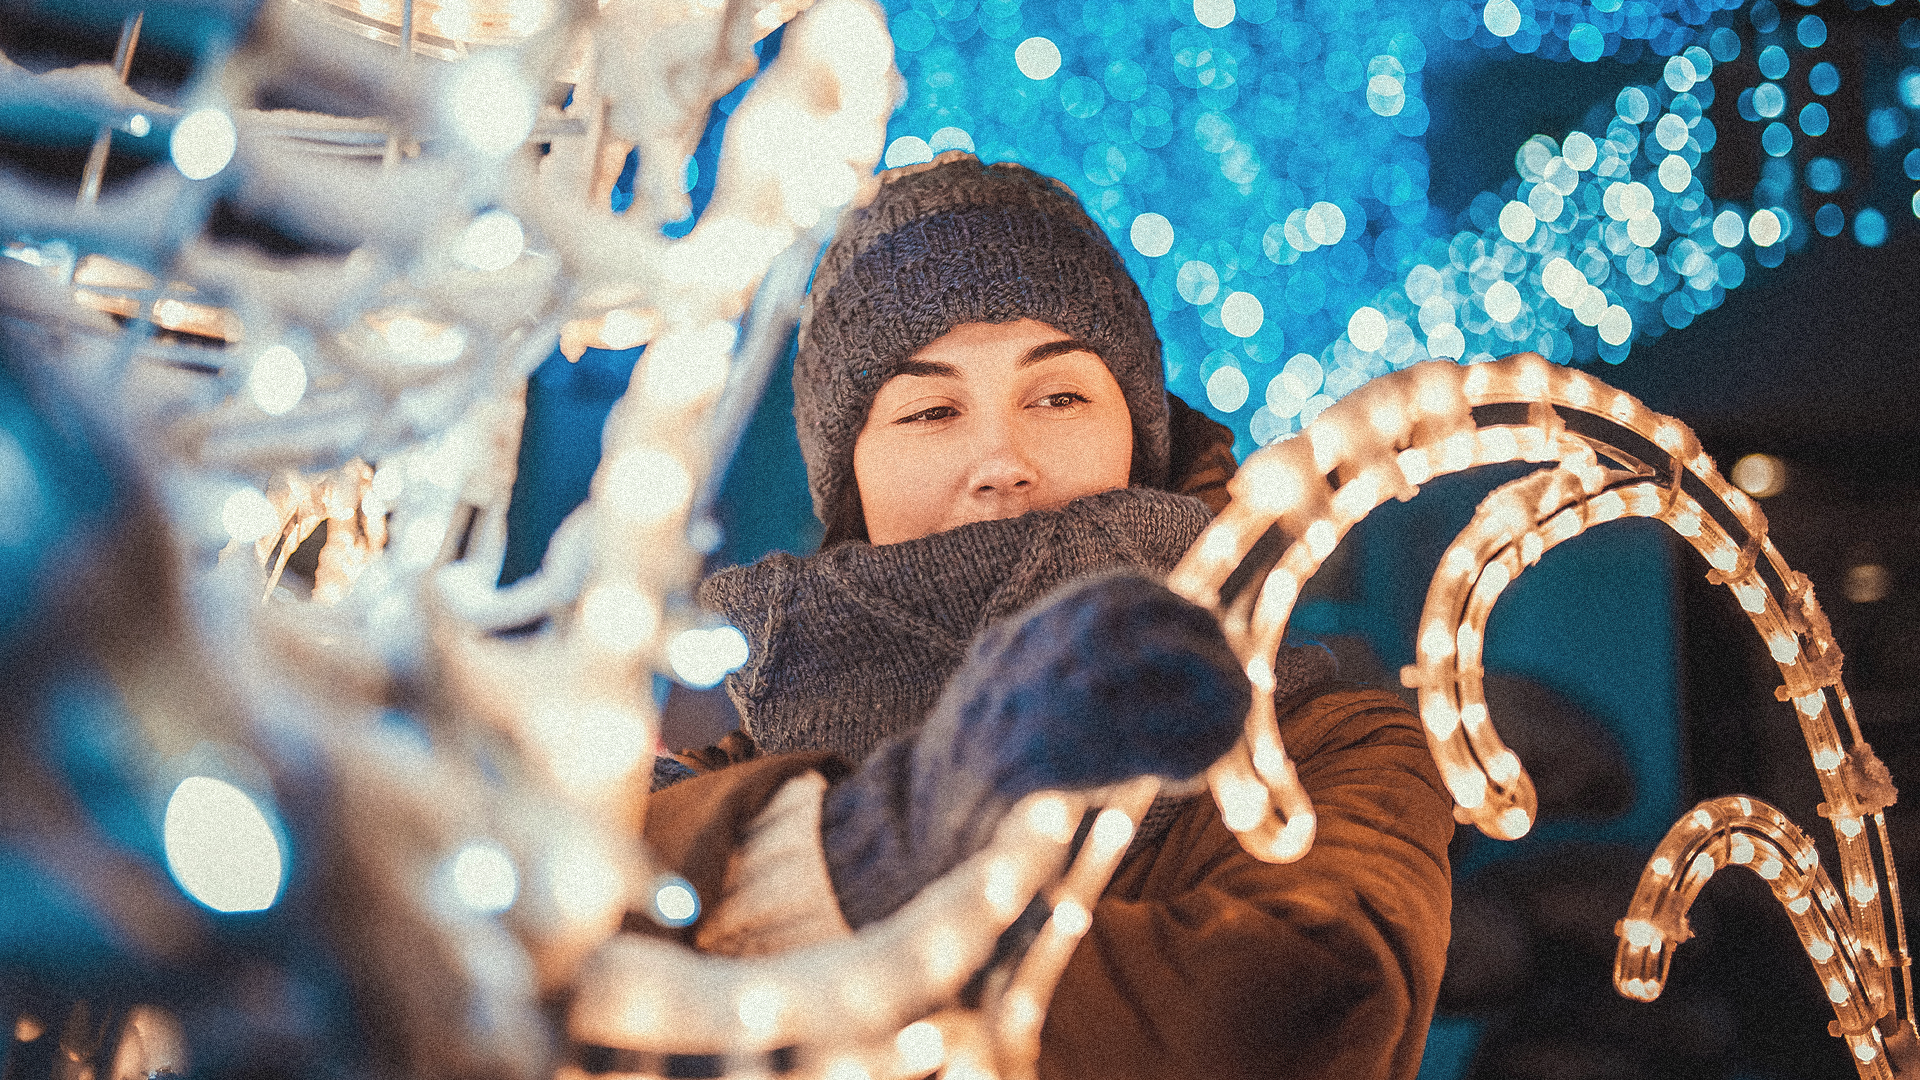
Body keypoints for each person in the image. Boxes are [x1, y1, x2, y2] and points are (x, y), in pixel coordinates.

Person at [635, 153, 1454, 1080]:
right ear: (850, 479)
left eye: (1059, 395)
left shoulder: (1323, 747)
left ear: (1137, 431)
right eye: (932, 410)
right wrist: (881, 840)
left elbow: (1292, 1017)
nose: (1000, 460)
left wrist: (811, 916)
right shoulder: (747, 773)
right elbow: (563, 938)